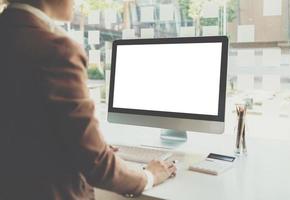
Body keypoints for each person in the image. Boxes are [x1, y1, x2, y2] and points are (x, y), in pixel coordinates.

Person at [0, 0, 177, 199]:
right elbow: (96, 166)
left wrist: (84, 144)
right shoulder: (56, 49)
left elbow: (22, 129)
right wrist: (148, 176)